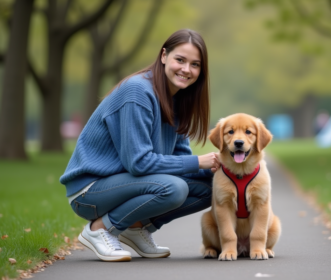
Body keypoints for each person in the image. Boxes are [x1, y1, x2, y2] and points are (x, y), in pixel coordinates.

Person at [60, 29, 220, 262]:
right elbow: (139, 163)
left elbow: (180, 160)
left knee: (214, 186)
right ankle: (99, 230)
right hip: (90, 190)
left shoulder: (179, 100)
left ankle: (136, 227)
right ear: (164, 55)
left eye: (195, 64)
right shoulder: (138, 91)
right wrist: (198, 161)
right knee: (174, 188)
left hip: (128, 183)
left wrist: (217, 169)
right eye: (180, 60)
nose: (186, 69)